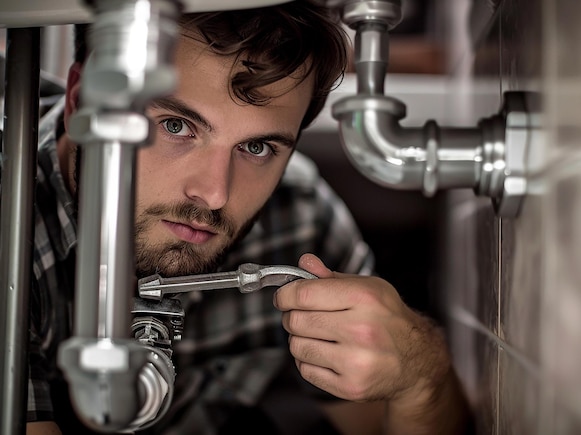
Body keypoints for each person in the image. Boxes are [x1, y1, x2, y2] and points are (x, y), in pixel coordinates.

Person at [19, 2, 472, 434]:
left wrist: (422, 376)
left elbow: (380, 424)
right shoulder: (14, 227)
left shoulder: (297, 219)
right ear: (81, 101)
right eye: (176, 126)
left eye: (256, 148)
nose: (215, 195)